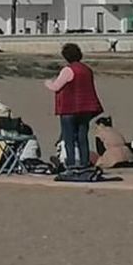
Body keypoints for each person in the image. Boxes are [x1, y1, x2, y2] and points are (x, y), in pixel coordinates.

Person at [44, 43, 104, 172]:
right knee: (83, 137)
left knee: (69, 138)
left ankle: (71, 163)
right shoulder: (87, 70)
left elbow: (56, 86)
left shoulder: (68, 70)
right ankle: (84, 162)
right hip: (85, 108)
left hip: (69, 108)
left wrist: (48, 83)